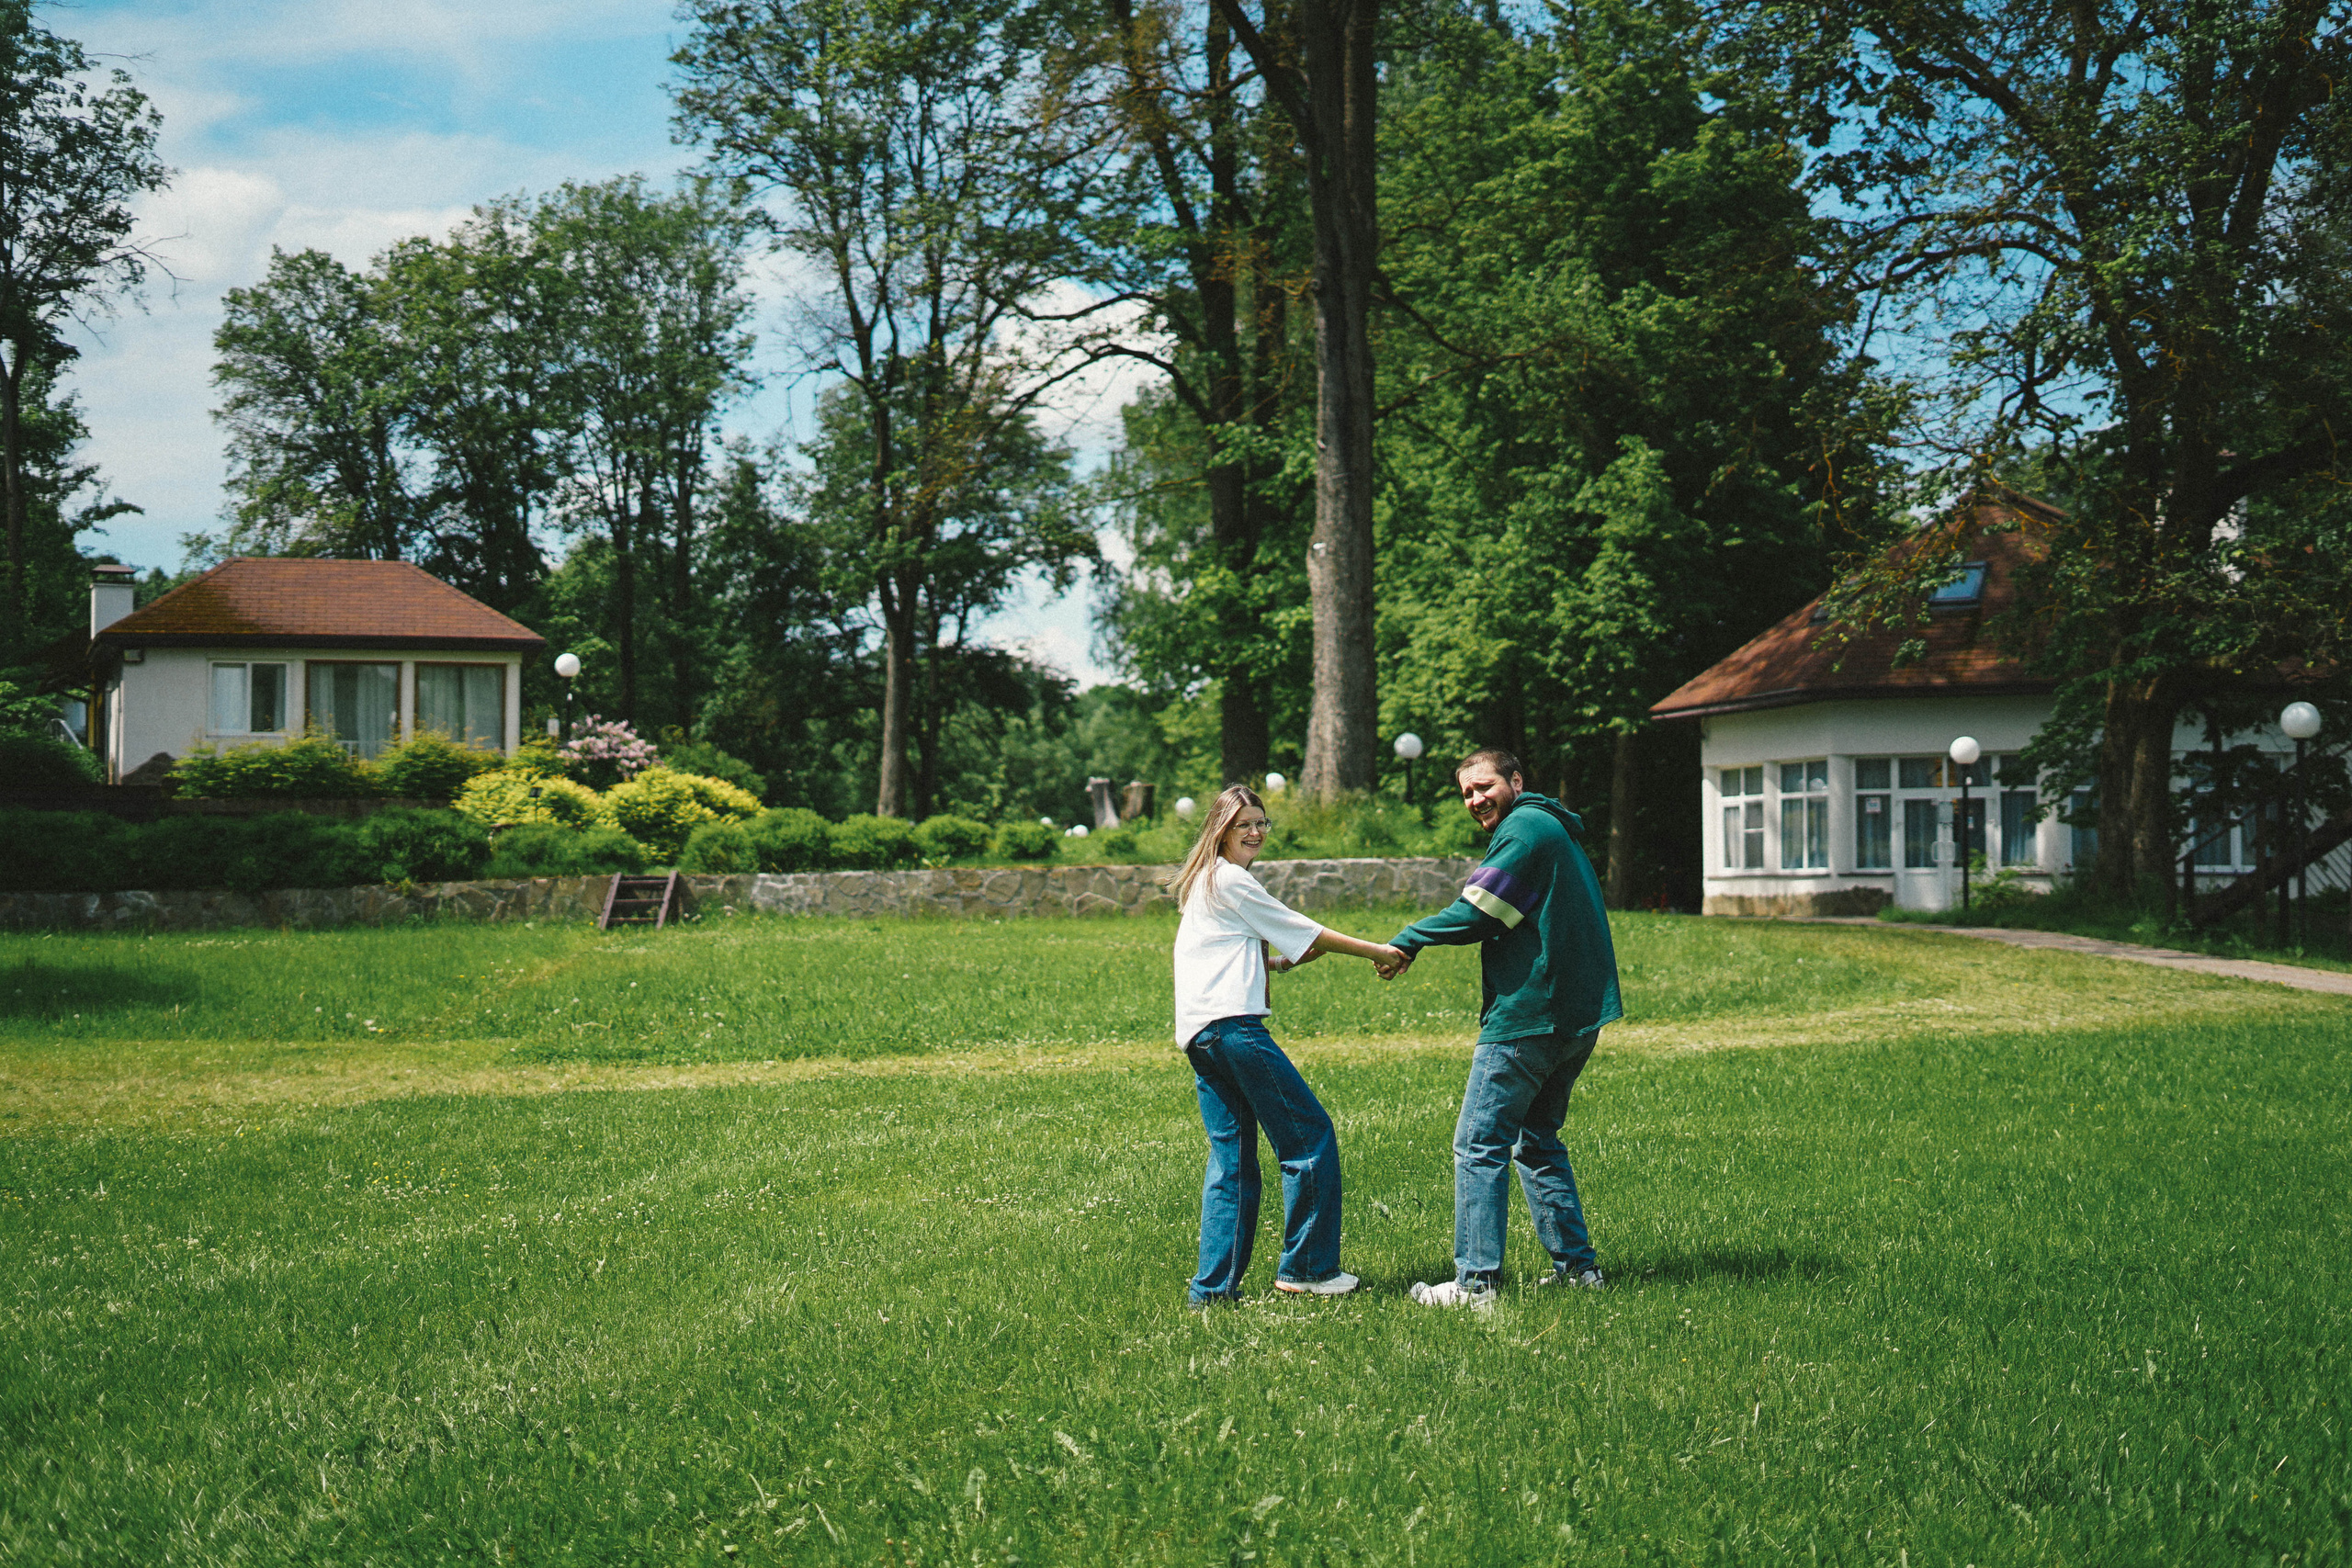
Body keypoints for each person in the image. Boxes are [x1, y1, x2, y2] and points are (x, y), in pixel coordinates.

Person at [1385, 749, 1623, 1306]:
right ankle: (1578, 1271)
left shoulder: (1525, 830)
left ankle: (1476, 1284)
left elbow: (1479, 912)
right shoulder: (1547, 827)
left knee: (1478, 1143)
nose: (1475, 800)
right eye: (1467, 793)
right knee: (1535, 1140)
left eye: (1484, 786)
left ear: (1516, 780)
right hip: (1574, 1018)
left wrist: (1408, 939)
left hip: (1530, 1016)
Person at [1170, 784, 1408, 1306]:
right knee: (1308, 1140)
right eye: (1242, 824)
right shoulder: (1231, 880)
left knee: (1231, 1164)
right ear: (1220, 830)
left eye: (1261, 822)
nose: (1254, 832)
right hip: (1234, 1032)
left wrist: (1277, 963)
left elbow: (1225, 953)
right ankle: (1309, 1269)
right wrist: (1381, 952)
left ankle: (1211, 1294)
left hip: (1202, 1036)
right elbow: (1307, 929)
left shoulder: (1205, 883)